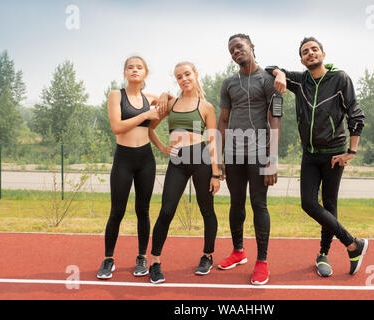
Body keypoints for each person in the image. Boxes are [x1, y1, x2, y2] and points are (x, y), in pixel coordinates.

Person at [266, 37, 368, 277]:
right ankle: (353, 244)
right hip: (310, 154)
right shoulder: (300, 81)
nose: (310, 53)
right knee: (308, 203)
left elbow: (356, 115)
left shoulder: (340, 79)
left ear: (323, 54)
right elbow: (267, 69)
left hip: (334, 155)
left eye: (314, 49)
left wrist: (351, 152)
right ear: (302, 60)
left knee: (330, 205)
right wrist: (280, 73)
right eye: (305, 51)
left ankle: (324, 254)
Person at [217, 34, 282, 285]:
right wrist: (219, 156)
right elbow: (223, 120)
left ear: (251, 47)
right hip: (233, 153)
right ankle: (238, 252)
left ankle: (262, 261)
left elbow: (275, 119)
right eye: (231, 50)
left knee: (259, 204)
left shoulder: (269, 80)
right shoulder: (228, 83)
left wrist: (272, 159)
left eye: (239, 47)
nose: (236, 52)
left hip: (259, 152)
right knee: (236, 204)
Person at [147, 61, 220, 284]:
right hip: (177, 160)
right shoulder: (170, 104)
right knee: (167, 210)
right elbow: (149, 128)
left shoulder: (206, 107)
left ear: (196, 75)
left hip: (201, 159)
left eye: (187, 74)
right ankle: (155, 262)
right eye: (179, 76)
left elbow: (213, 140)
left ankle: (207, 255)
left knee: (206, 209)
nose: (184, 79)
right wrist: (162, 147)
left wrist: (216, 174)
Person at [96, 56, 160, 279]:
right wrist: (145, 114)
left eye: (139, 67)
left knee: (143, 210)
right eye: (130, 67)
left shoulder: (151, 98)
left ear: (146, 73)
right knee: (117, 211)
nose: (134, 70)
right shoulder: (116, 95)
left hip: (146, 159)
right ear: (124, 73)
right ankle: (108, 259)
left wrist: (161, 144)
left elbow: (166, 110)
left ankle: (142, 257)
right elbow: (117, 127)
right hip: (123, 159)